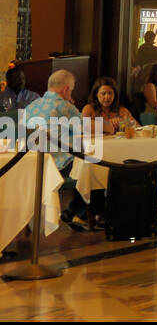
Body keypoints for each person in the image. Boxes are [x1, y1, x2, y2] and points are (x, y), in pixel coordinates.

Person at [25, 70, 90, 229]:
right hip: (55, 165)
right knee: (90, 166)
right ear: (66, 89)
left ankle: (73, 212)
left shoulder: (31, 106)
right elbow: (87, 127)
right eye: (72, 89)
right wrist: (110, 126)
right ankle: (77, 213)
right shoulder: (64, 106)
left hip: (29, 163)